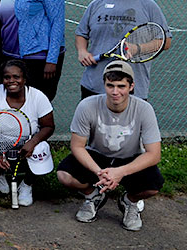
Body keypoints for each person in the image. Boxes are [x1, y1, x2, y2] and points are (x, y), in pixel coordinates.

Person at [57, 61, 164, 231]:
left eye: (121, 86)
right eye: (110, 85)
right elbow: (77, 146)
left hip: (130, 158)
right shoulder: (87, 106)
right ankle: (93, 196)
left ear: (131, 86)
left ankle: (130, 202)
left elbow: (154, 154)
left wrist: (120, 172)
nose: (115, 92)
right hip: (98, 156)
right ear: (104, 84)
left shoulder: (144, 109)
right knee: (64, 175)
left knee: (153, 186)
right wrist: (100, 172)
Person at [75, 0, 171, 100]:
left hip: (132, 90)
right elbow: (81, 33)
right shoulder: (95, 5)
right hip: (93, 87)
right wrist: (82, 51)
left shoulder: (148, 6)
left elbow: (165, 41)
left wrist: (137, 48)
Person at [0, 59, 55, 206]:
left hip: (27, 145)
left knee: (41, 149)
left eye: (16, 77)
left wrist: (32, 143)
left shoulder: (38, 96)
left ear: (24, 79)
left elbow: (49, 127)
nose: (11, 81)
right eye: (7, 77)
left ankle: (27, 184)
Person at [0, 0, 65, 101]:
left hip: (39, 58)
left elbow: (57, 23)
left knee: (38, 105)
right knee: (16, 103)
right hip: (11, 56)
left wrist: (51, 60)